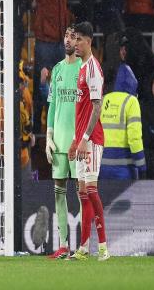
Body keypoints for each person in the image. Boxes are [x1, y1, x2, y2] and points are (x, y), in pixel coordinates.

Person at [22, 0, 94, 134]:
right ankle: (38, 129)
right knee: (42, 87)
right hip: (45, 42)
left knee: (64, 87)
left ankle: (61, 127)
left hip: (62, 42)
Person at [68, 21, 108, 261]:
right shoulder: (82, 67)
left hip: (92, 139)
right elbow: (81, 110)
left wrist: (83, 139)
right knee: (82, 193)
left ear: (89, 41)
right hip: (82, 139)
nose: (76, 43)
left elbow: (96, 107)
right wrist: (75, 140)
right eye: (75, 39)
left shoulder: (93, 68)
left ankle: (103, 247)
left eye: (80, 39)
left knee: (91, 190)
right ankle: (83, 247)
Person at [45, 26, 81, 259]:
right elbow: (52, 106)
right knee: (59, 192)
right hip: (59, 142)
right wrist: (48, 137)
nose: (68, 40)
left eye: (73, 37)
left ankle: (84, 245)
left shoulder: (83, 69)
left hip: (77, 143)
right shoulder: (57, 69)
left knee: (82, 192)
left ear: (79, 42)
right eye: (66, 36)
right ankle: (63, 245)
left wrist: (81, 138)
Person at [100, 64, 146, 179]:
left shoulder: (104, 99)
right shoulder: (131, 101)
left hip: (101, 168)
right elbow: (134, 139)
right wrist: (142, 167)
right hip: (124, 170)